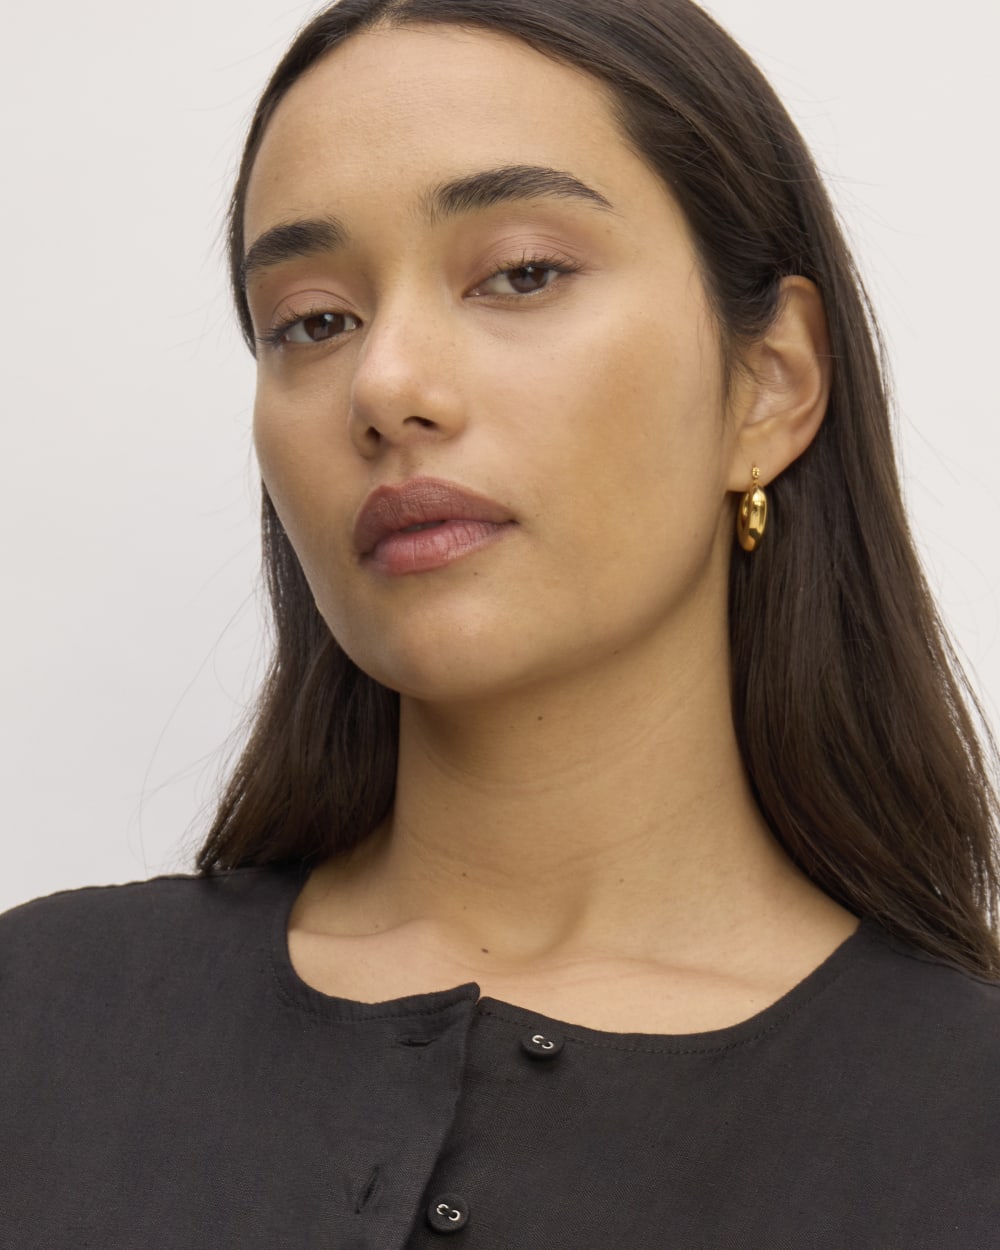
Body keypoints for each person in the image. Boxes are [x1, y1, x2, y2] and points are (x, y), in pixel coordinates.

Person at [2, 0, 998, 1245]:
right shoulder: (40, 1025)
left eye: (522, 272)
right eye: (314, 319)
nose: (386, 385)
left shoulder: (963, 1129)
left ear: (769, 382)